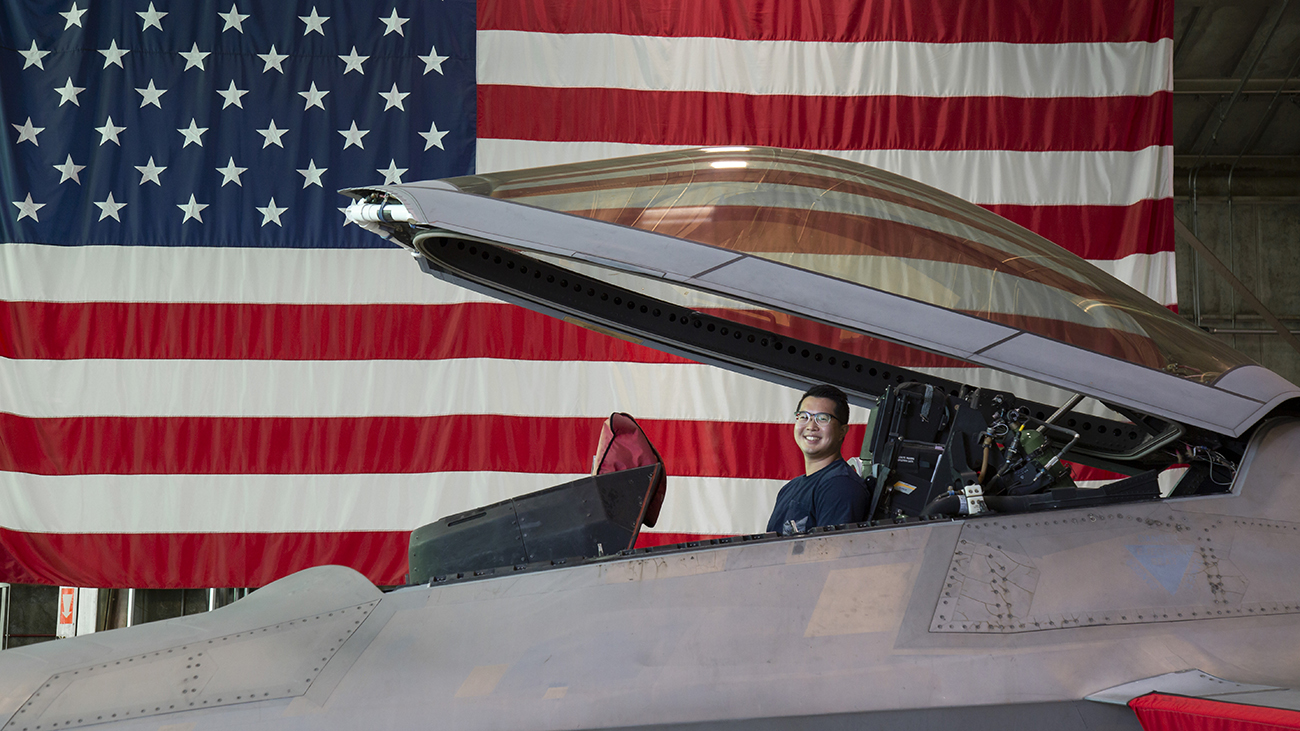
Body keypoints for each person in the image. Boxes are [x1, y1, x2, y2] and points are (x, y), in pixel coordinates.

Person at [766, 384, 868, 535]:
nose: (811, 426)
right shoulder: (789, 489)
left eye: (822, 418)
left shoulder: (840, 486)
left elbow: (829, 553)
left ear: (842, 432)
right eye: (804, 417)